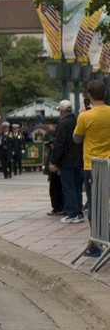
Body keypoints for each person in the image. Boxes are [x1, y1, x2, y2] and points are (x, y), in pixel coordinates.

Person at [73, 79, 110, 255]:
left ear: (89, 96)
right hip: (109, 164)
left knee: (94, 205)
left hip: (92, 165)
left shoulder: (85, 116)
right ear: (104, 94)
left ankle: (96, 243)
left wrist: (82, 113)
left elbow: (77, 138)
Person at [49, 100, 84, 224]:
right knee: (77, 188)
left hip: (67, 161)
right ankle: (79, 212)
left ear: (62, 110)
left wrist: (54, 160)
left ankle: (72, 213)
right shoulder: (77, 120)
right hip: (79, 160)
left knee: (68, 188)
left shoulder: (62, 123)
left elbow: (59, 144)